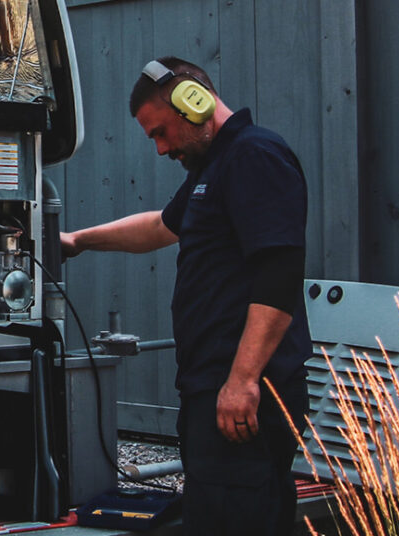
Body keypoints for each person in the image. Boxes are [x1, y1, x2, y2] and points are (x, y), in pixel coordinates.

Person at [60, 57, 311, 535]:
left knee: (232, 519)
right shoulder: (213, 166)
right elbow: (160, 226)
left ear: (192, 103)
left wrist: (241, 382)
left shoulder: (255, 157)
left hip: (242, 392)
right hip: (214, 388)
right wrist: (78, 240)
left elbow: (278, 279)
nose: (159, 149)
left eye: (160, 132)